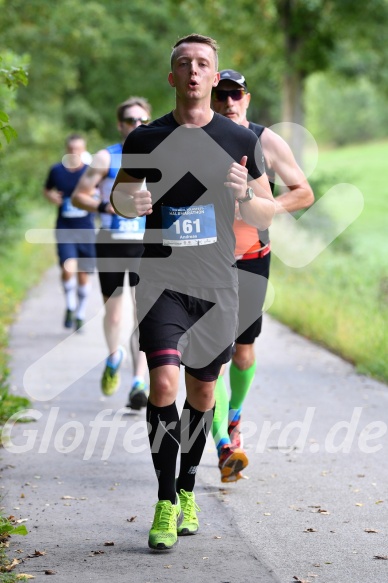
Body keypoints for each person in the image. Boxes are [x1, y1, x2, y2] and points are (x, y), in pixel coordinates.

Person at [110, 34, 275, 551]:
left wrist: (245, 193)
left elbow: (267, 212)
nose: (195, 71)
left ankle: (187, 488)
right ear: (172, 77)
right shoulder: (146, 138)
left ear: (214, 73)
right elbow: (120, 192)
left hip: (217, 283)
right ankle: (163, 501)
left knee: (202, 394)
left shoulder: (240, 140)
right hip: (161, 279)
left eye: (203, 63)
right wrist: (127, 202)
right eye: (185, 63)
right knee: (163, 386)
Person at [211, 69, 314, 482]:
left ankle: (233, 417)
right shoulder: (196, 137)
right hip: (207, 261)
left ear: (247, 99)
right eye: (221, 96)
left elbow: (303, 192)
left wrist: (262, 206)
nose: (229, 102)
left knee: (242, 352)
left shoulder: (264, 140)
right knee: (211, 359)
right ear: (210, 100)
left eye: (235, 95)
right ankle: (224, 446)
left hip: (253, 255)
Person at [71, 98, 151, 404]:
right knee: (116, 316)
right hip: (111, 242)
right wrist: (105, 205)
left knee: (145, 316)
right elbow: (79, 196)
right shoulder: (106, 158)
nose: (136, 126)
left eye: (143, 120)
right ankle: (114, 355)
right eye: (130, 121)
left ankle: (138, 383)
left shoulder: (158, 156)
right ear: (120, 125)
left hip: (146, 244)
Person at [43, 134, 96, 333]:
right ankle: (70, 306)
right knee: (67, 268)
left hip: (86, 229)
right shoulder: (56, 171)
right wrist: (51, 197)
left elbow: (101, 192)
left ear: (84, 150)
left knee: (83, 274)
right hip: (64, 226)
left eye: (78, 149)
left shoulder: (90, 172)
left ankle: (80, 314)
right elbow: (46, 190)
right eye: (71, 149)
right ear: (67, 149)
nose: (74, 152)